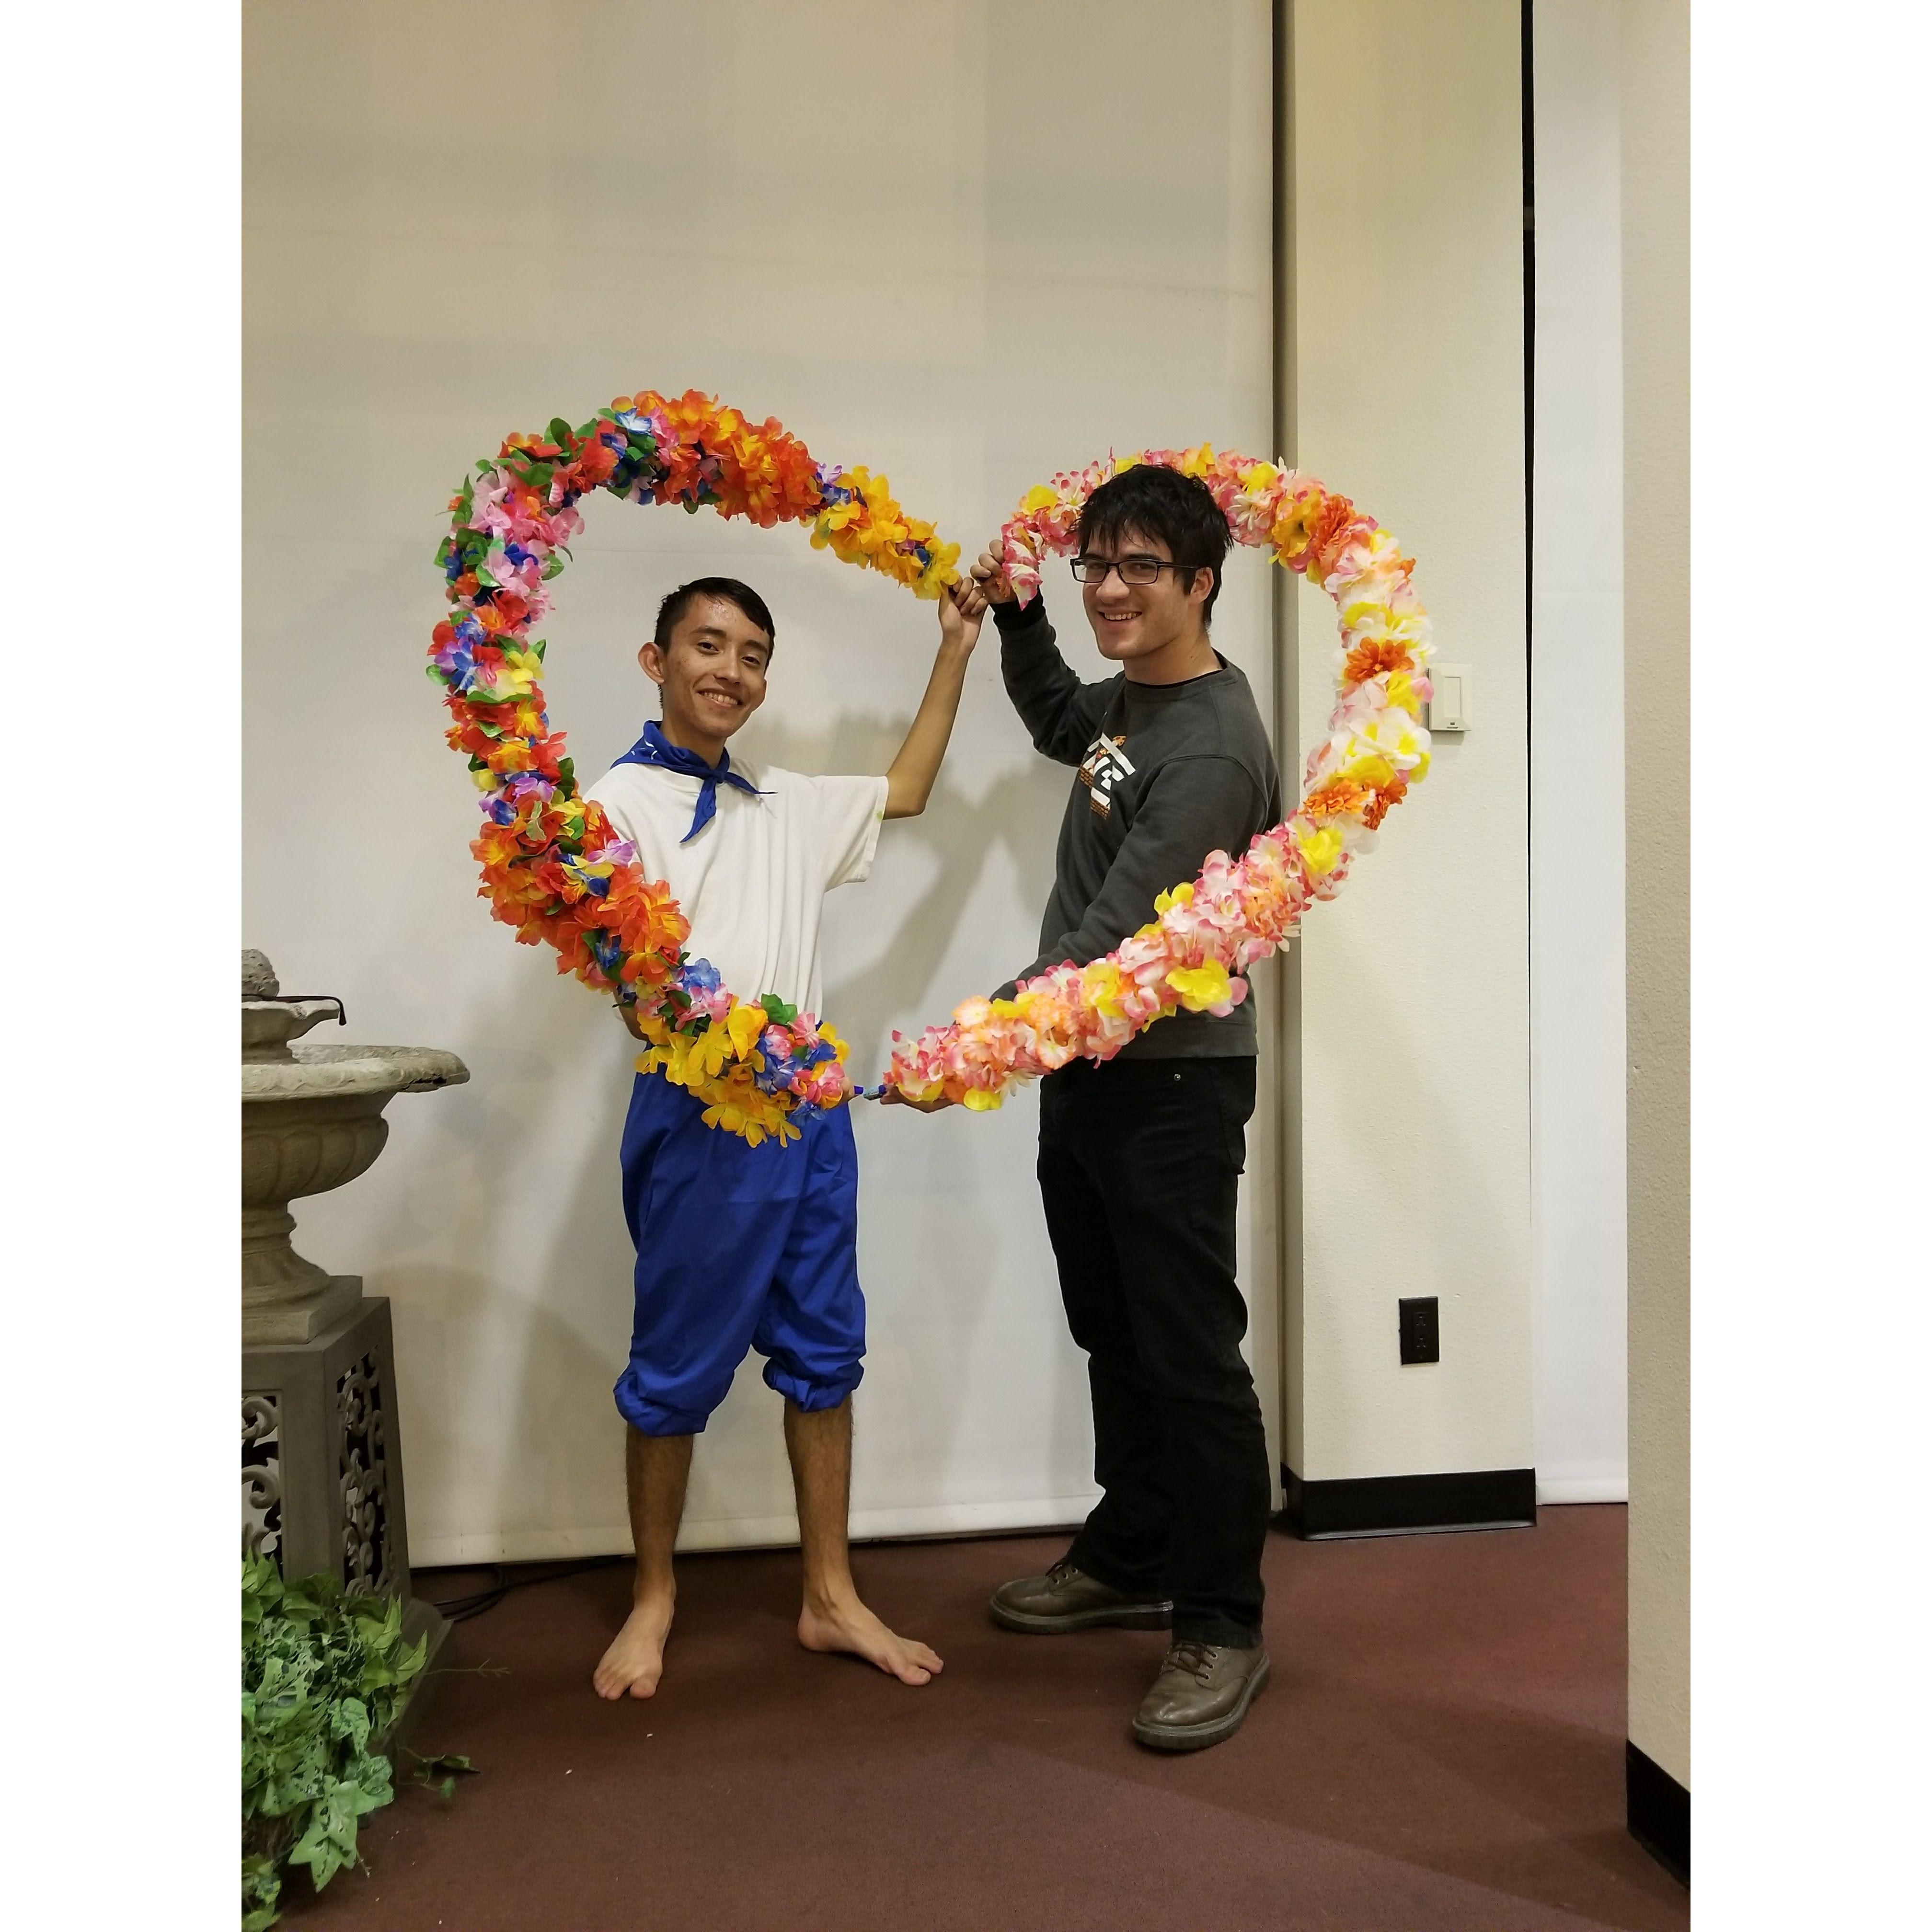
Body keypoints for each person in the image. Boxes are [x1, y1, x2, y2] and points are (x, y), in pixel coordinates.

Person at [901, 464, 1281, 1751]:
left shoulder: (1216, 744)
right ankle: (1133, 1550)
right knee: (1112, 1329)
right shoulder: (1135, 702)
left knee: (1186, 1352)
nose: (1111, 591)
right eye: (1094, 567)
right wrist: (1018, 621)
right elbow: (1066, 720)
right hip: (1090, 1073)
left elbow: (1116, 945)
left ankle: (1221, 1618)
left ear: (1202, 582)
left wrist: (962, 1047)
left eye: (1140, 571)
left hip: (1174, 1079)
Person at [585, 572, 985, 1701]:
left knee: (824, 1351)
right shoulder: (609, 810)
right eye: (709, 646)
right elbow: (635, 993)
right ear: (655, 660)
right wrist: (727, 1055)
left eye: (753, 654)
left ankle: (829, 1593)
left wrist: (955, 645)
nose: (733, 671)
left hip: (810, 1119)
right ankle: (654, 1596)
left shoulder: (787, 804)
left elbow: (907, 788)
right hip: (701, 1116)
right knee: (674, 1369)